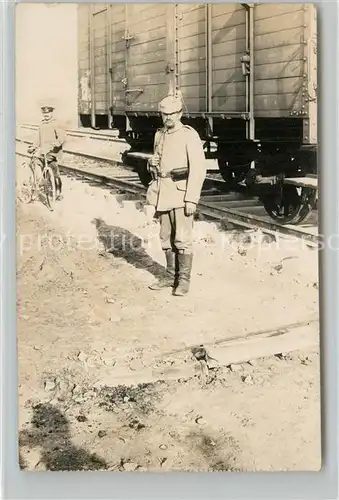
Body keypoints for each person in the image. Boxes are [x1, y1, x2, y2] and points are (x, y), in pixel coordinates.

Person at [146, 94, 206, 296]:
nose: (168, 117)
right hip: (163, 193)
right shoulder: (159, 135)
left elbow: (198, 169)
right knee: (165, 238)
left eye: (172, 113)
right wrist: (151, 163)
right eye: (164, 114)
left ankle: (183, 281)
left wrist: (191, 199)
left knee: (182, 239)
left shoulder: (189, 135)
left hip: (181, 195)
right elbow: (157, 164)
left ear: (180, 113)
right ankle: (169, 276)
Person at [27, 102, 66, 199]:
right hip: (43, 151)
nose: (46, 115)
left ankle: (57, 192)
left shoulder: (56, 123)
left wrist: (55, 145)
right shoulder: (42, 124)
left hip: (53, 152)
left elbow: (62, 137)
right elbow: (38, 138)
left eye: (48, 113)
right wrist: (33, 146)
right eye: (44, 113)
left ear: (52, 113)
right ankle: (39, 183)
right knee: (35, 161)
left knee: (54, 170)